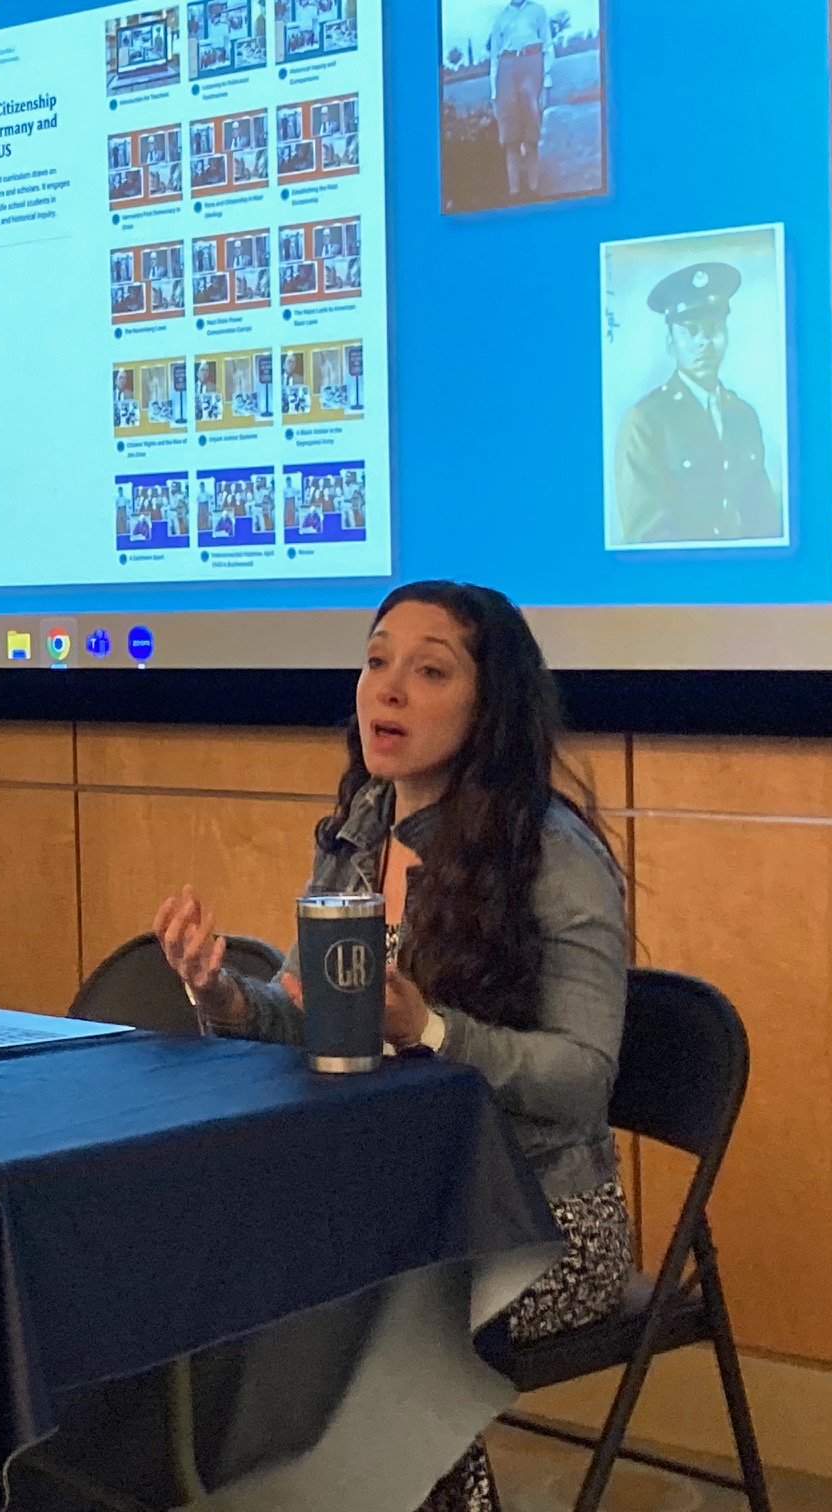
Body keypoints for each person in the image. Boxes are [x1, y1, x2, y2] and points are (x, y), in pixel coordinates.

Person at [152, 581, 629, 1512]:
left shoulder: (552, 852)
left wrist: (434, 1030)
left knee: (370, 1299)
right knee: (237, 1260)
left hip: (540, 1220)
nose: (388, 689)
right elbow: (308, 1015)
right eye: (376, 662)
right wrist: (222, 996)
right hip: (388, 1201)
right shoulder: (360, 832)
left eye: (429, 669)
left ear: (489, 705)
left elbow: (583, 1080)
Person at [613, 261, 784, 545]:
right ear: (671, 342)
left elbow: (764, 523)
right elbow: (648, 539)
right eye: (690, 330)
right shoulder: (646, 420)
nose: (705, 341)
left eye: (714, 327)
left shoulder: (743, 416)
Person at [488, 0, 553, 200]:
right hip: (506, 69)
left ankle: (533, 190)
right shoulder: (500, 17)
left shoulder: (538, 11)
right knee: (510, 138)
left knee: (531, 135)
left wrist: (546, 83)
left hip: (532, 64)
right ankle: (514, 193)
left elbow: (548, 46)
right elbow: (494, 58)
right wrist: (494, 93)